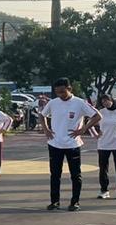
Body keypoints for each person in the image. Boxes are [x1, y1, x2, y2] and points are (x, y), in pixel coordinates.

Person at [41, 78, 100, 211]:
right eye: (57, 92)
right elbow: (42, 115)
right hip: (55, 143)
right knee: (55, 174)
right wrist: (46, 129)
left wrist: (83, 128)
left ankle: (75, 202)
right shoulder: (53, 103)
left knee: (75, 175)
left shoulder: (80, 103)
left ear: (69, 89)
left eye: (63, 92)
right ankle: (55, 201)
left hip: (72, 144)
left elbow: (97, 116)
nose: (60, 95)